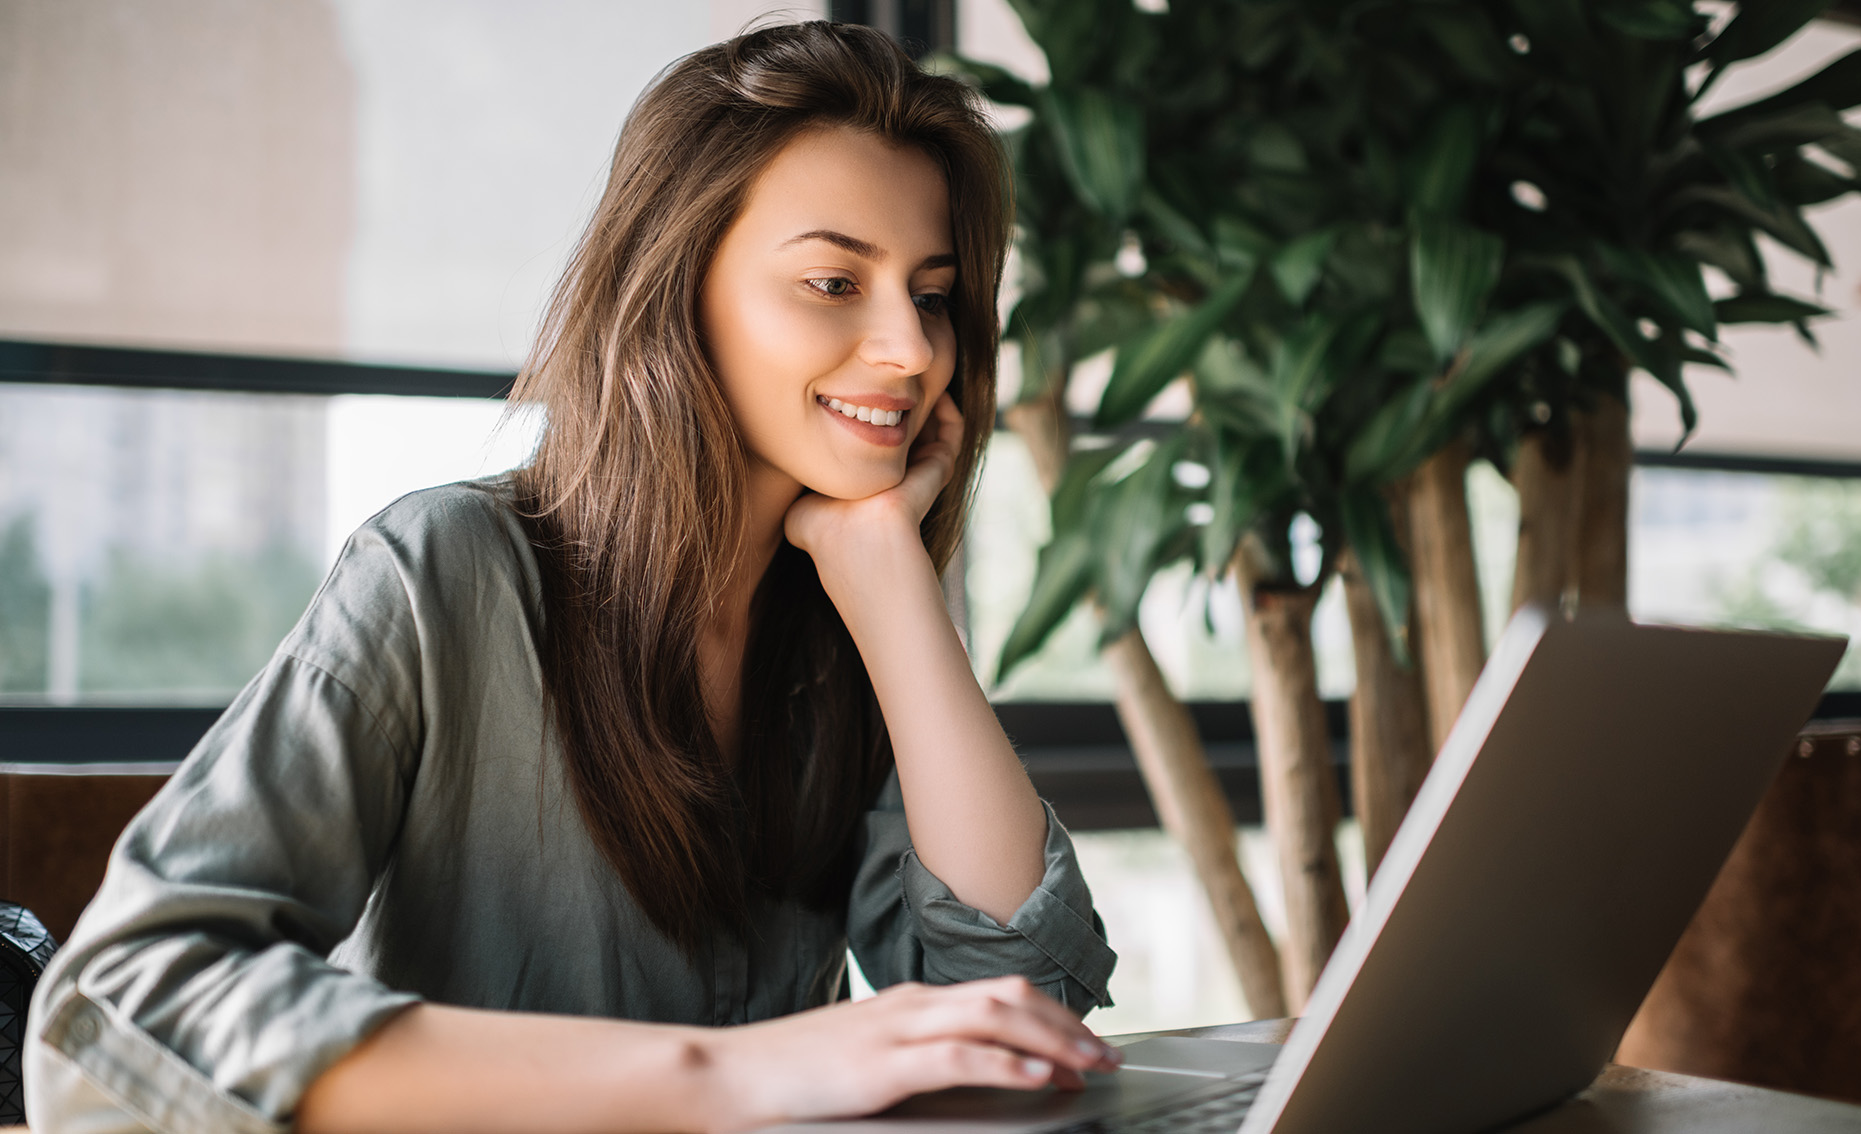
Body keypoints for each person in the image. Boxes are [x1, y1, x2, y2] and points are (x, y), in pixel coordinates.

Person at [26, 22, 1119, 1134]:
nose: (913, 350)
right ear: (675, 292)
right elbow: (125, 1000)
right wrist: (723, 1076)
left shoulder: (837, 623)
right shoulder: (440, 574)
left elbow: (1031, 1016)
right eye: (835, 281)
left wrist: (893, 591)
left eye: (932, 295)